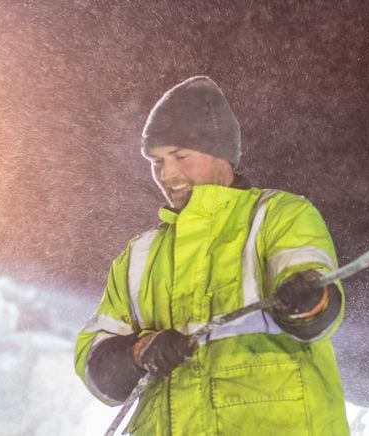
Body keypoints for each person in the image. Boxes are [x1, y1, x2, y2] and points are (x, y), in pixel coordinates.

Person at [75, 76, 349, 435]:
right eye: (157, 161)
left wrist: (307, 298)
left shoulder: (278, 215)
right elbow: (95, 364)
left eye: (180, 156)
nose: (167, 174)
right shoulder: (139, 255)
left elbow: (319, 306)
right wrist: (141, 352)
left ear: (221, 154)